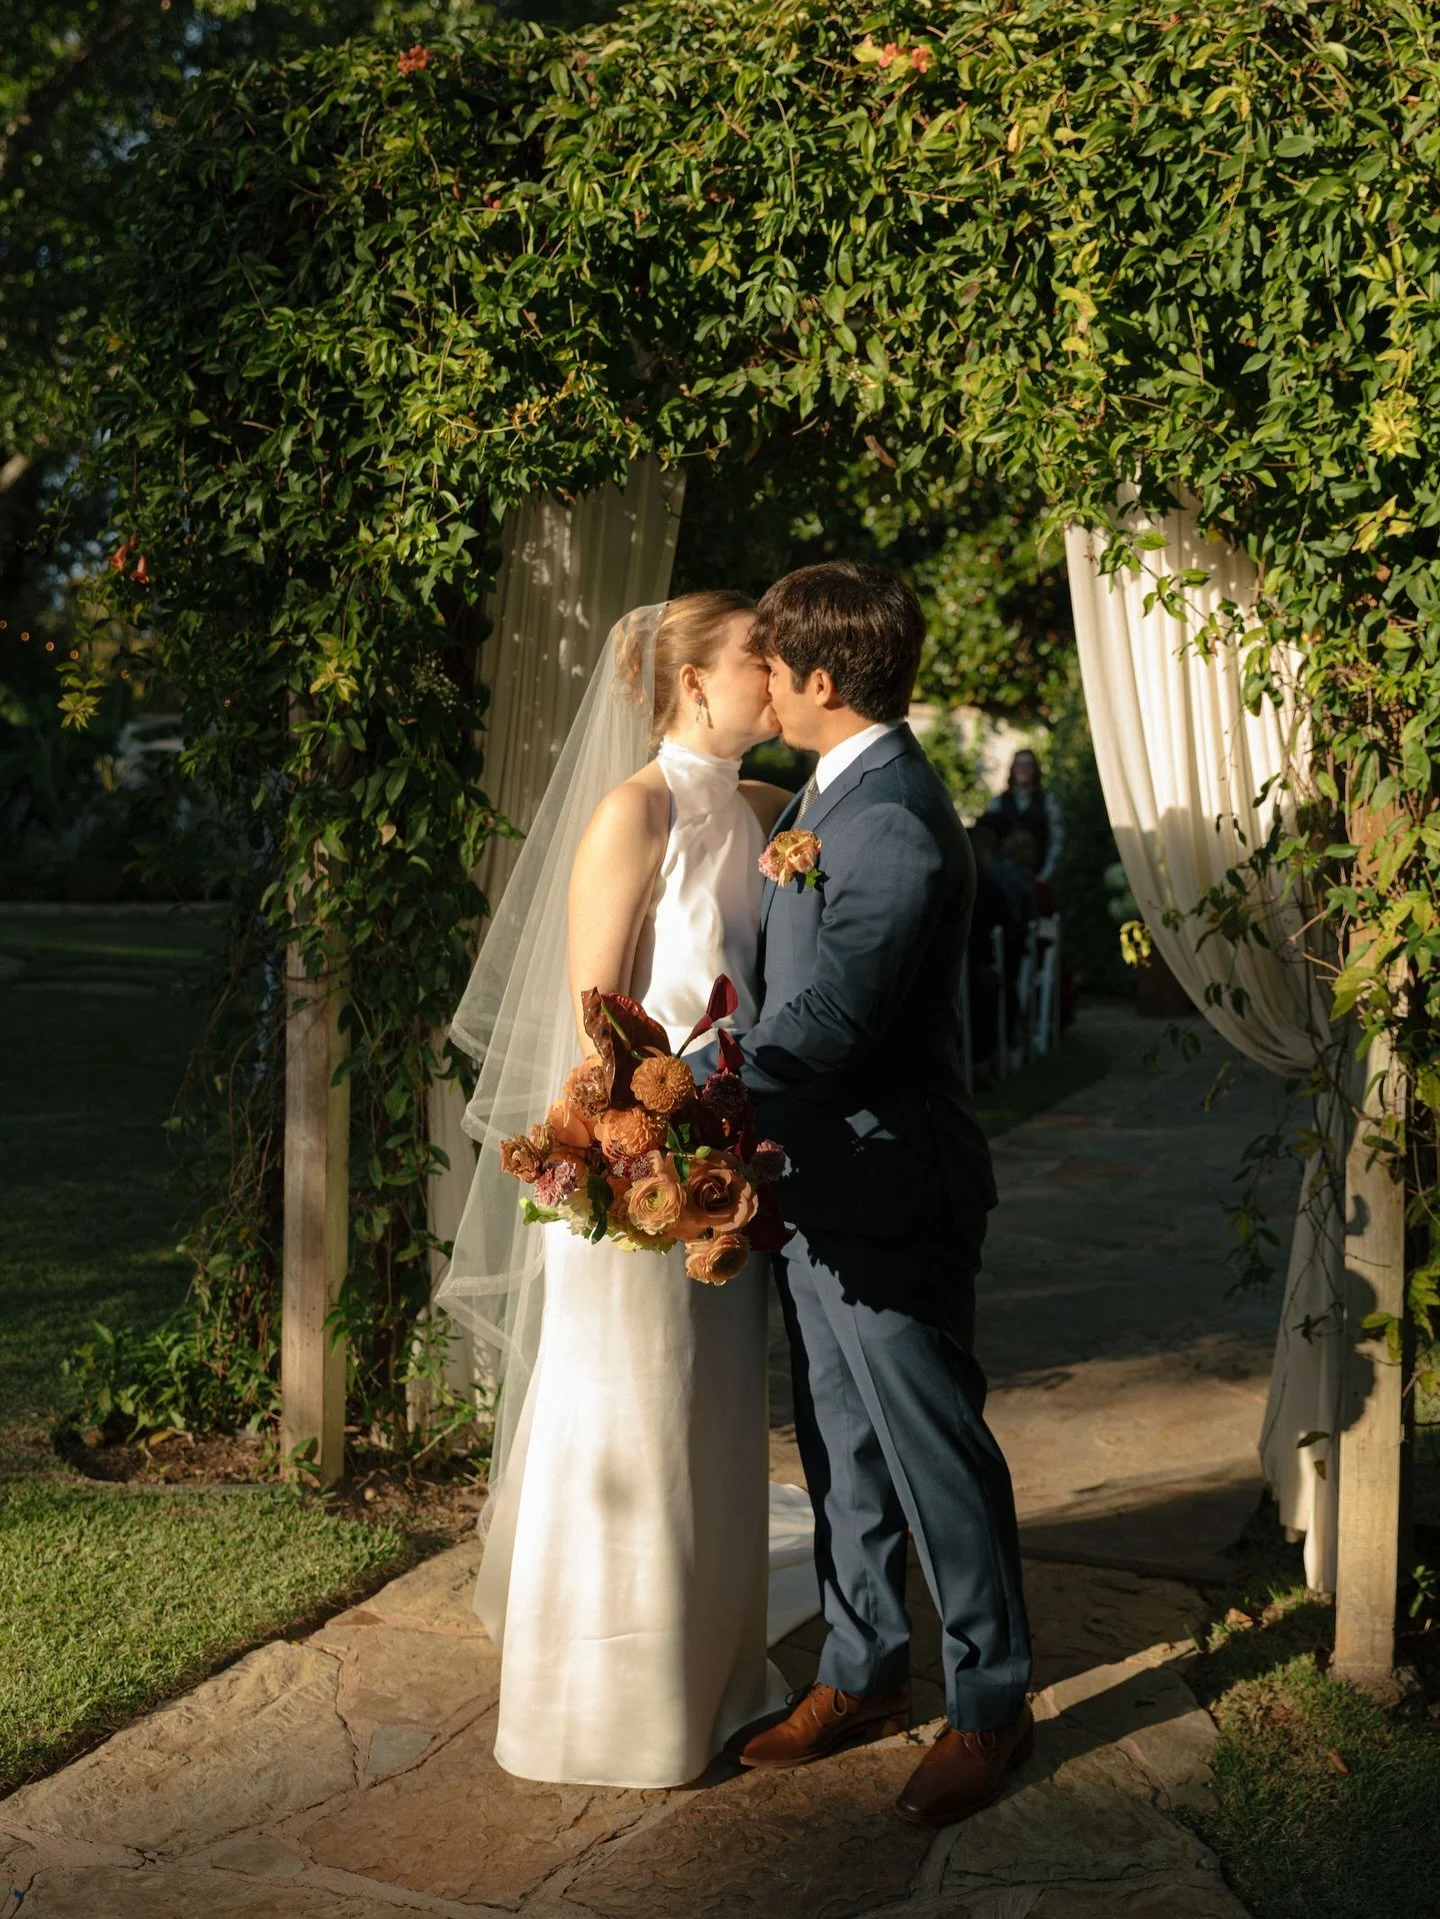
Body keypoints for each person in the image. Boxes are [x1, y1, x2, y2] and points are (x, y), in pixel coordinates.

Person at [437, 593, 799, 1789]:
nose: (778, 672)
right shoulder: (631, 810)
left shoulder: (760, 811)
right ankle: (604, 1709)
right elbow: (595, 1030)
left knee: (713, 1424)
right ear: (695, 682)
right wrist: (652, 1170)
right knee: (634, 1423)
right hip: (638, 1185)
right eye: (760, 657)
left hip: (729, 1186)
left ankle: (713, 1676)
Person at [697, 561, 1034, 1828]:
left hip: (893, 1192)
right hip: (819, 1189)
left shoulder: (889, 820)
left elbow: (827, 1022)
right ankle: (860, 1671)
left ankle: (992, 1702)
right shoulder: (830, 795)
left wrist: (689, 1083)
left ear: (822, 681)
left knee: (933, 1453)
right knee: (841, 1451)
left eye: (775, 670)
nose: (766, 688)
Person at [984, 747, 1064, 882]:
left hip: (1037, 877)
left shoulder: (1048, 802)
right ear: (1013, 769)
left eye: (1028, 764)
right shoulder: (998, 802)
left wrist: (1045, 875)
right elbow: (987, 838)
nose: (1023, 769)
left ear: (1035, 769)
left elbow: (1057, 839)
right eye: (1019, 764)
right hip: (1003, 879)